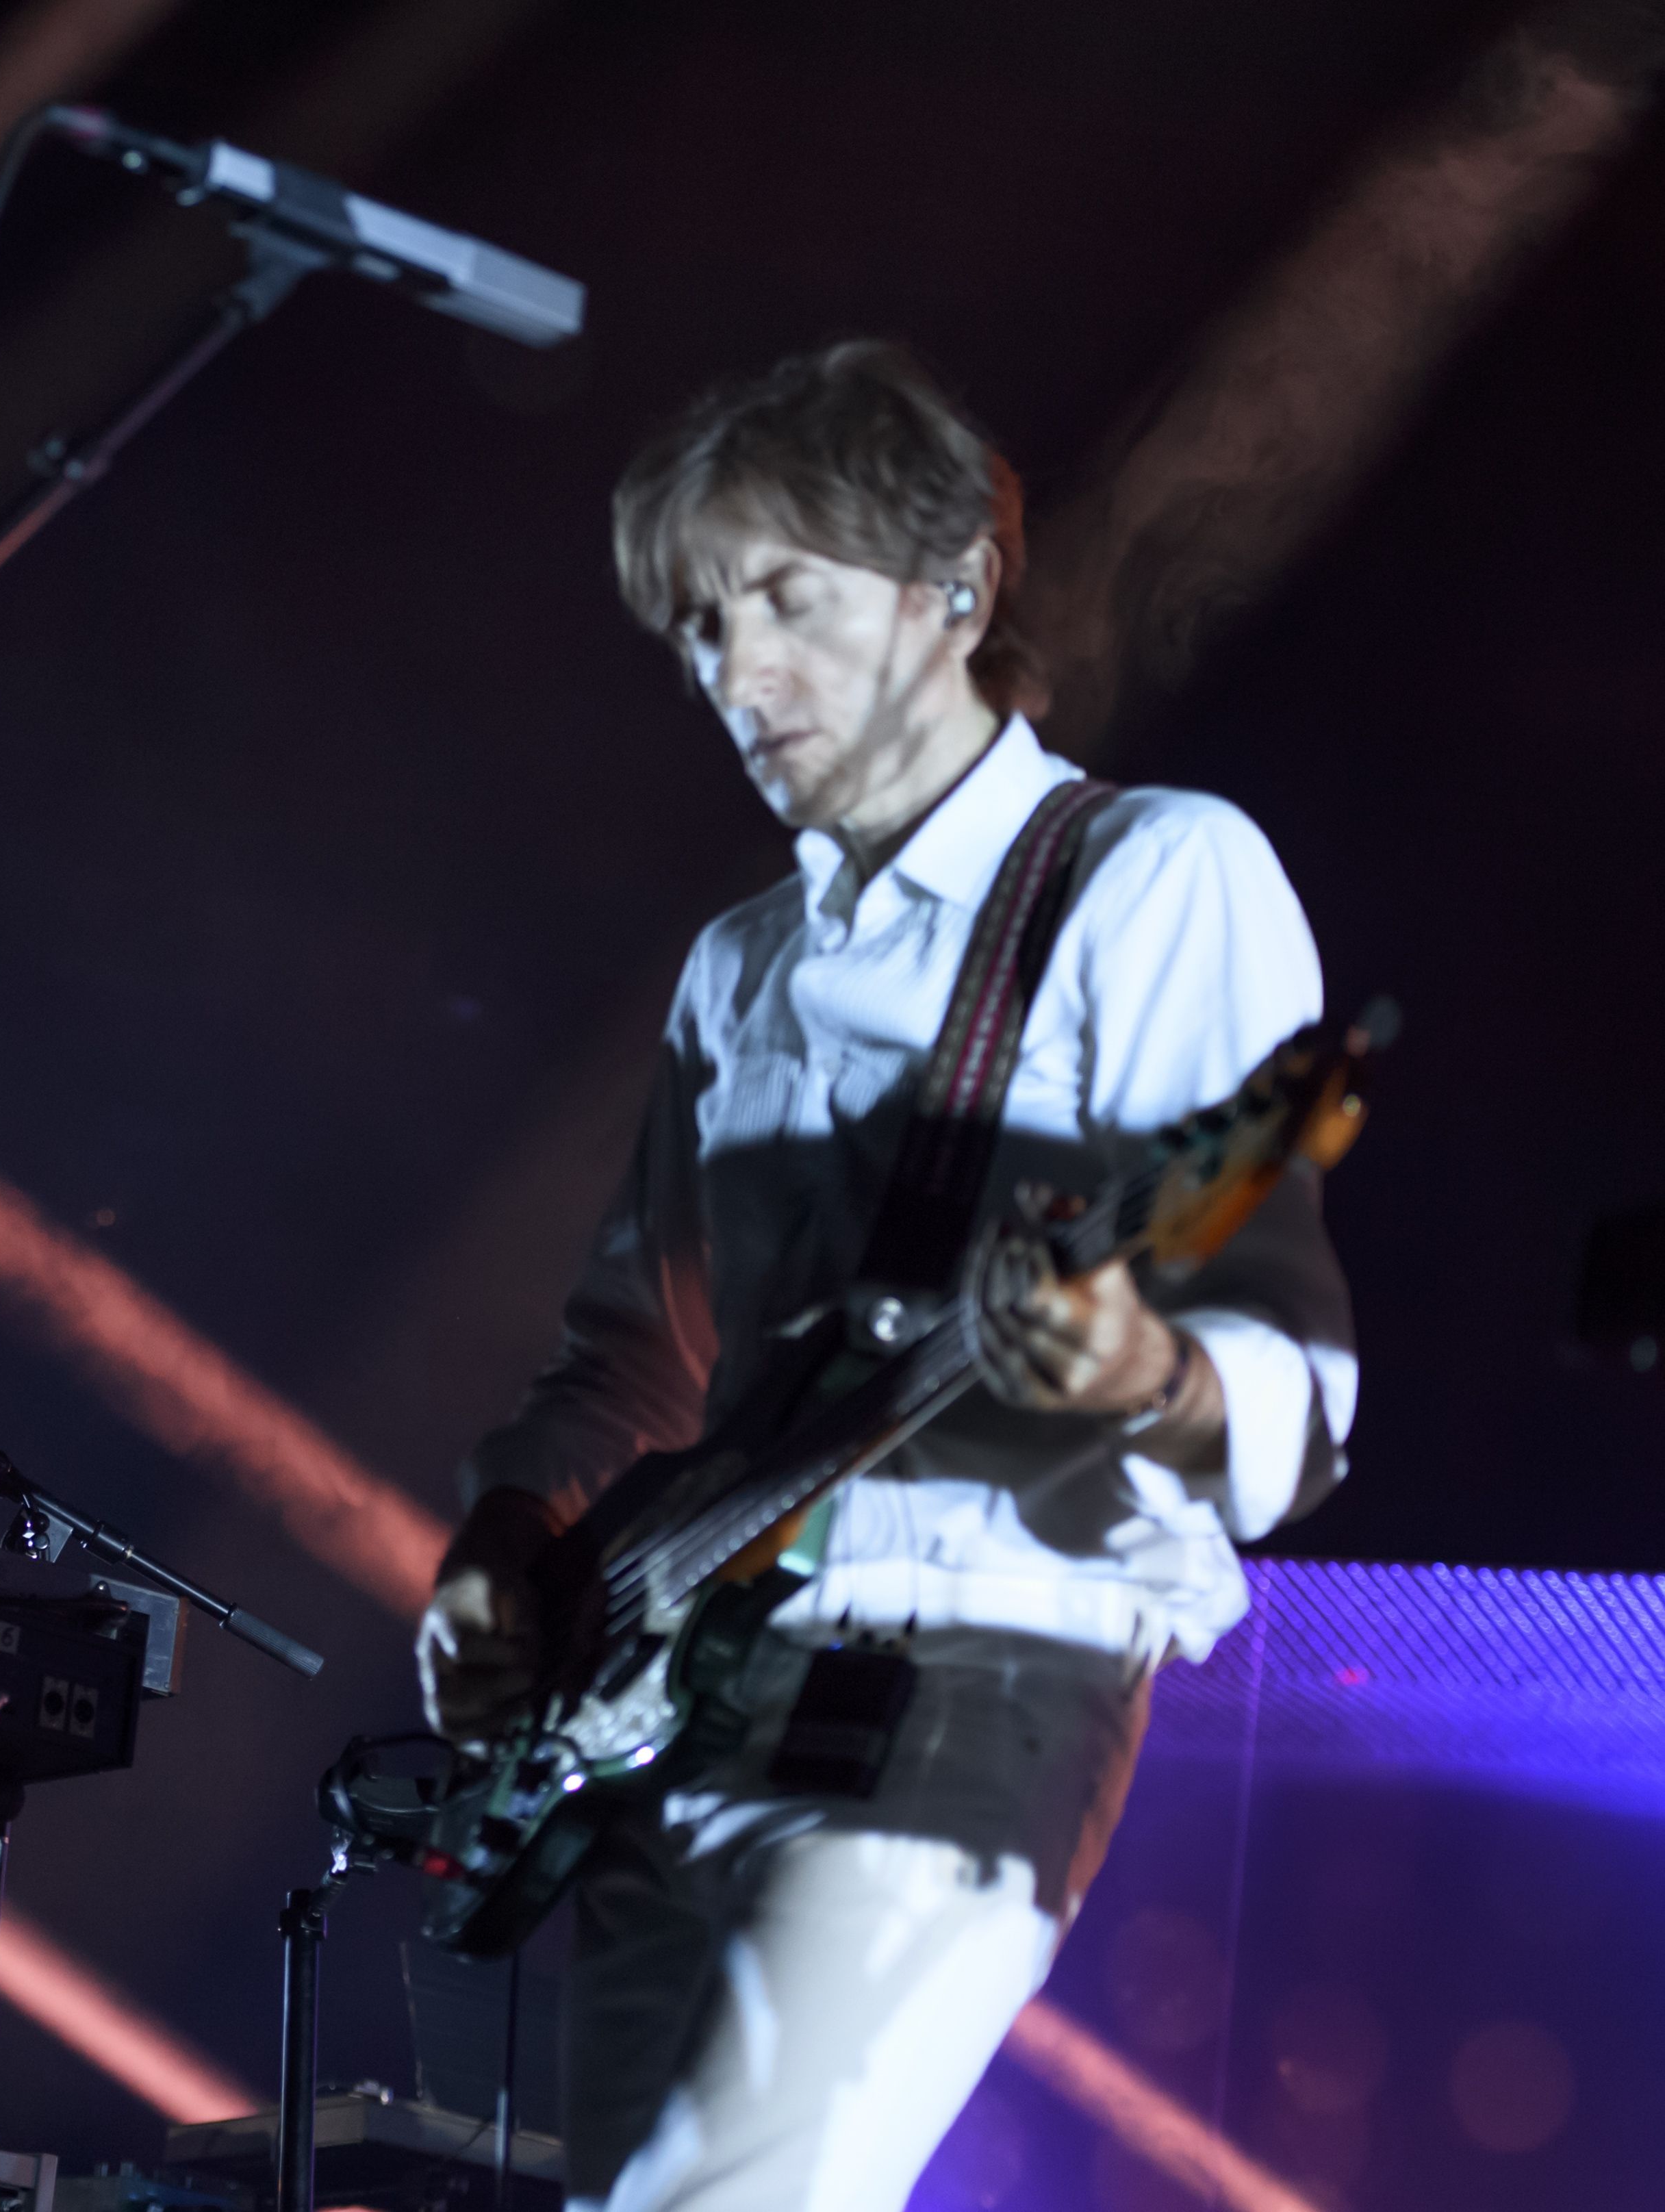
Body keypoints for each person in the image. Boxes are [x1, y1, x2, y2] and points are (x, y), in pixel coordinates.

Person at [414, 342, 1355, 2211]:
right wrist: (508, 1535)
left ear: (954, 589)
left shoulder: (1152, 876)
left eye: (787, 599)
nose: (734, 670)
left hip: (971, 1668)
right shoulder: (738, 966)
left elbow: (1290, 1372)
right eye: (699, 624)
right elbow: (630, 1365)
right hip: (668, 1702)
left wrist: (1138, 1373)